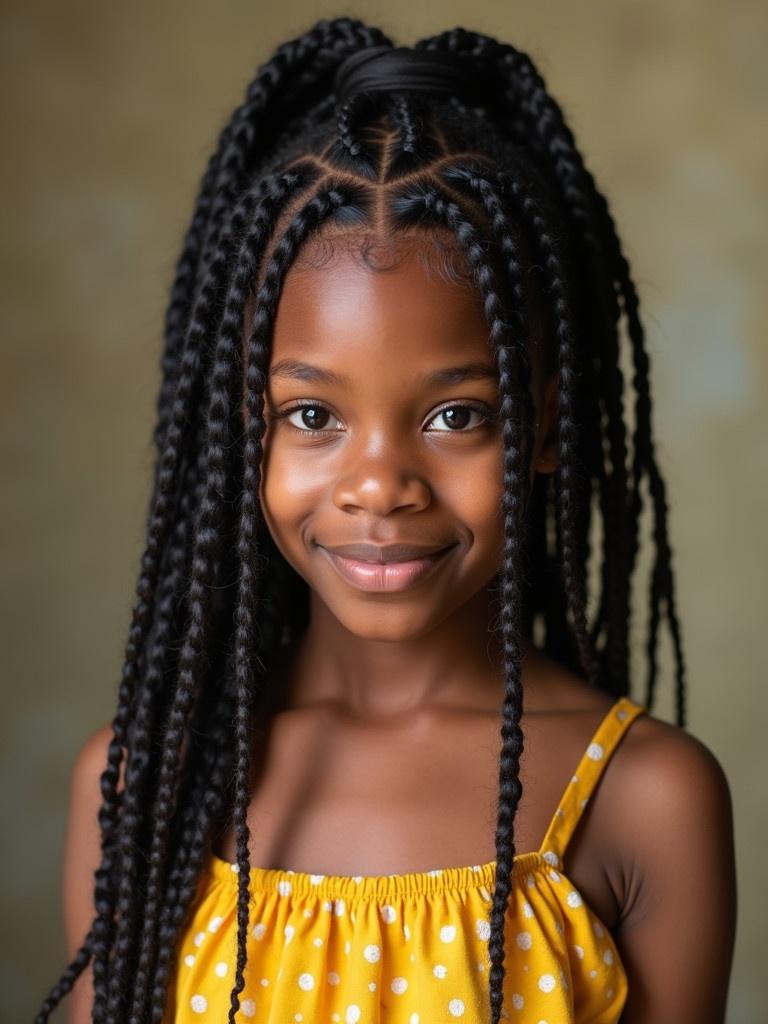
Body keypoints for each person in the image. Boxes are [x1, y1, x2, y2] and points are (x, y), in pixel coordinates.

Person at [38, 18, 736, 1024]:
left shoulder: (648, 797)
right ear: (244, 429)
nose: (379, 486)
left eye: (459, 415)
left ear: (546, 424)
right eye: (311, 415)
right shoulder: (142, 784)